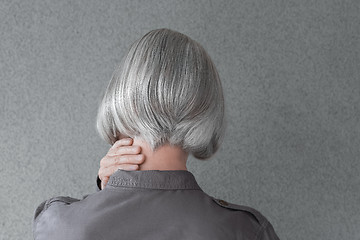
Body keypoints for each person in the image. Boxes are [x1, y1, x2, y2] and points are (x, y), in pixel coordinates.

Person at [33, 28, 280, 240]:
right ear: (205, 108)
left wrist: (107, 192)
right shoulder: (244, 230)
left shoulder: (58, 224)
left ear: (122, 97)